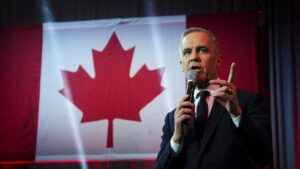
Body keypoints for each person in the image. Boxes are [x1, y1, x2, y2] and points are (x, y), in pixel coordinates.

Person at [154, 27, 272, 169]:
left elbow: (264, 157)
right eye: (187, 52)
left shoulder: (246, 102)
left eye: (202, 50)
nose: (194, 57)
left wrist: (237, 115)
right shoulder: (173, 118)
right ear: (182, 66)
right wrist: (177, 138)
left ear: (219, 60)